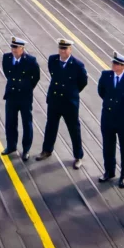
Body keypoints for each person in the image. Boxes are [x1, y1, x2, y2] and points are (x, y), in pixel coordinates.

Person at [36, 38, 88, 169]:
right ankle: (47, 150)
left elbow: (83, 82)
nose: (62, 51)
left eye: (65, 49)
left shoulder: (78, 65)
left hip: (69, 103)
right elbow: (54, 76)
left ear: (70, 50)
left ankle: (78, 156)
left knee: (74, 129)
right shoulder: (52, 60)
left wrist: (72, 92)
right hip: (54, 100)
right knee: (51, 126)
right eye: (60, 48)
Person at [97, 52, 124, 188]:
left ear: (123, 66)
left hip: (123, 119)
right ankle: (109, 171)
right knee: (108, 146)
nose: (113, 65)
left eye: (116, 64)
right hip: (108, 117)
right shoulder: (106, 76)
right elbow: (101, 91)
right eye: (113, 63)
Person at [1, 36, 41, 162]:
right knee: (10, 122)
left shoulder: (30, 60)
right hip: (11, 95)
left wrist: (27, 88)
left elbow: (36, 77)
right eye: (12, 47)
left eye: (16, 47)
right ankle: (11, 146)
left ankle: (26, 149)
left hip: (24, 97)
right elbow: (8, 74)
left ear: (22, 48)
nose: (13, 49)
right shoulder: (6, 58)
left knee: (26, 123)